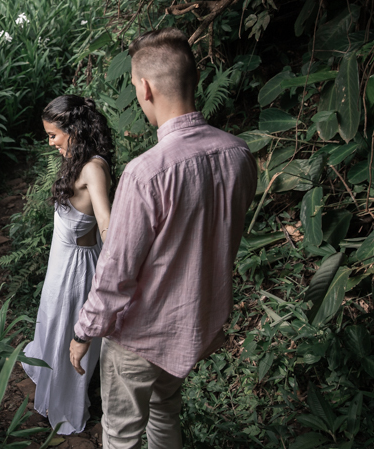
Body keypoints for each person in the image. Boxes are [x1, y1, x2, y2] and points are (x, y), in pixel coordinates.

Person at [67, 28, 257, 449]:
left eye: (135, 86)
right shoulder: (239, 154)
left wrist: (83, 333)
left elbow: (116, 272)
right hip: (192, 327)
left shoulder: (147, 172)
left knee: (121, 432)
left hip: (140, 335)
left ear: (146, 87)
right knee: (166, 416)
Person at [22, 94, 114, 435]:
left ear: (73, 130)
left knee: (67, 329)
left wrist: (119, 259)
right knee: (53, 321)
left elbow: (106, 221)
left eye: (53, 135)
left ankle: (66, 401)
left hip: (77, 269)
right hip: (59, 264)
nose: (50, 143)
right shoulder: (73, 158)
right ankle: (49, 379)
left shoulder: (92, 168)